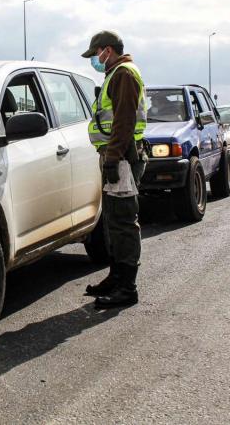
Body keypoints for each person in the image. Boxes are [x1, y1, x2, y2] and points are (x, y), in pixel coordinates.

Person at [81, 30, 147, 308]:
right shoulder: (115, 74)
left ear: (107, 50)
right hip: (115, 156)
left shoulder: (123, 74)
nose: (94, 59)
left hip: (121, 157)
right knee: (113, 220)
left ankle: (126, 288)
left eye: (95, 54)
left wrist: (112, 159)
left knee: (123, 222)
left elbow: (124, 122)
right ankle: (116, 277)